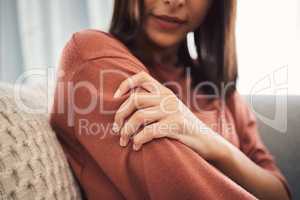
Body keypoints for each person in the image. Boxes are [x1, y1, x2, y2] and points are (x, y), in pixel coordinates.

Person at [50, 0, 291, 199]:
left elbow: (279, 192)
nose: (175, 1)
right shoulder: (93, 57)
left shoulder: (220, 88)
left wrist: (216, 146)